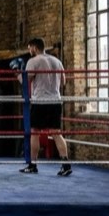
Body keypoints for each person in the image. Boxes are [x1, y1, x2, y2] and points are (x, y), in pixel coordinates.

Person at [20, 38, 71, 176]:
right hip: (55, 101)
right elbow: (63, 82)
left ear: (35, 48)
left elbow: (26, 81)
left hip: (40, 102)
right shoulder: (57, 61)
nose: (29, 51)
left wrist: (18, 73)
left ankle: (33, 165)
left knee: (35, 132)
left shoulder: (33, 61)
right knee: (56, 133)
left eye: (30, 48)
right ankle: (66, 165)